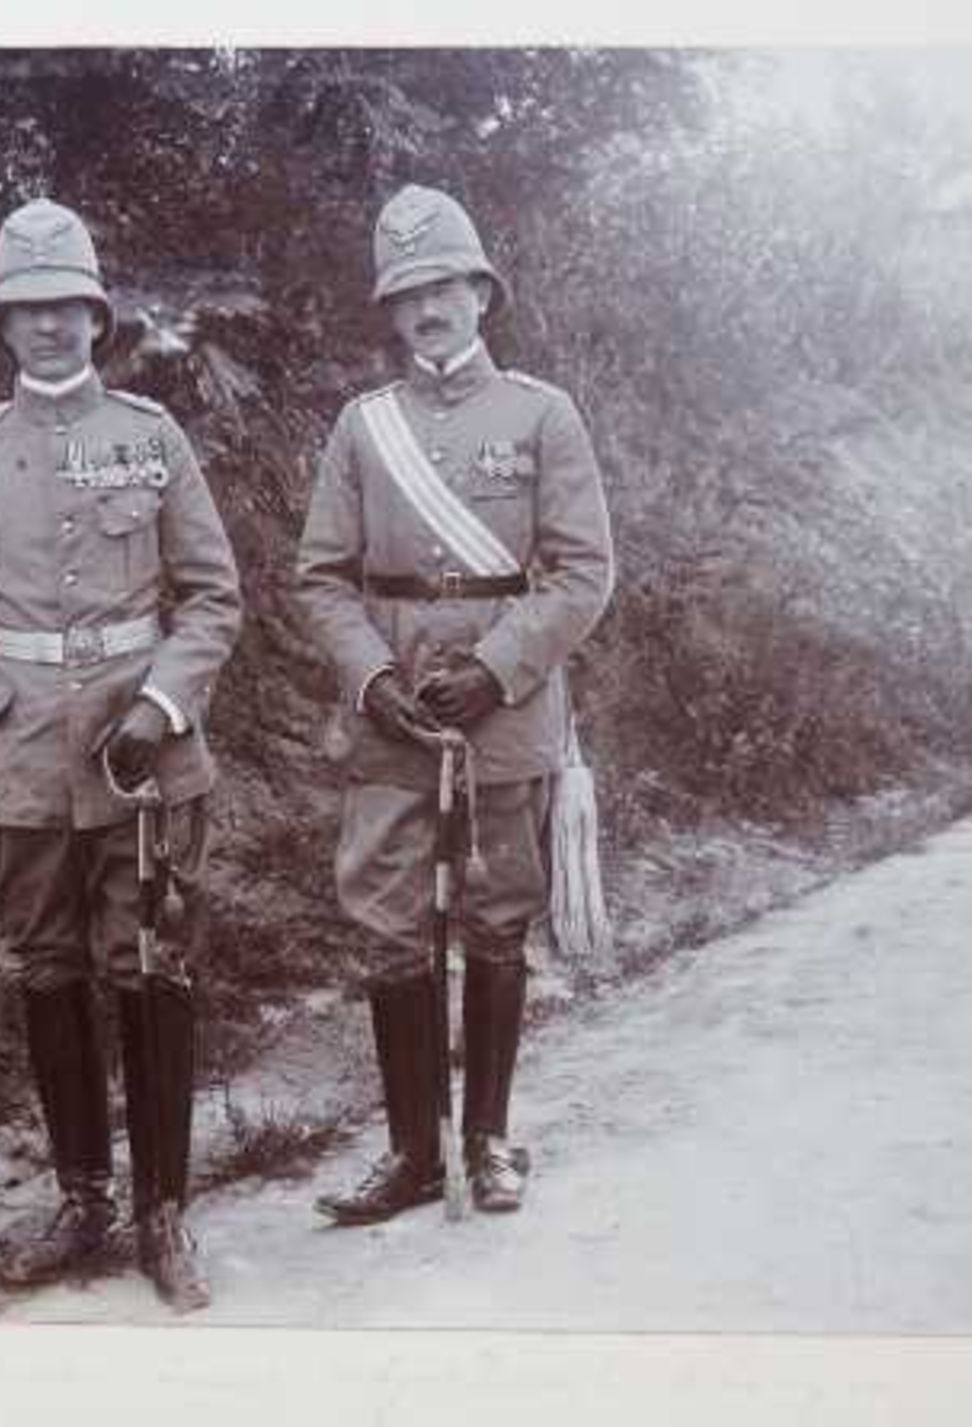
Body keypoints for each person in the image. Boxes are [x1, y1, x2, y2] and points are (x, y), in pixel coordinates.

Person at [0, 198, 242, 1310]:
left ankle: (164, 1212)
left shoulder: (150, 436)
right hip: (17, 761)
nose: (50, 328)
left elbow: (212, 597)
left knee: (149, 966)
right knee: (47, 971)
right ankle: (83, 1198)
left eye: (68, 308)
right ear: (2, 327)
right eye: (27, 311)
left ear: (98, 318)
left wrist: (160, 703)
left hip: (140, 755)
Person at [294, 184, 614, 1224]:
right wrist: (370, 677)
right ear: (389, 313)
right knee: (387, 918)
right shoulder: (363, 426)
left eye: (446, 287)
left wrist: (500, 665)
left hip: (504, 710)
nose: (429, 309)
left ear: (482, 292)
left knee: (497, 913)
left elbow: (580, 570)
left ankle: (486, 1138)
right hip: (394, 711)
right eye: (408, 294)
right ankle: (410, 1151)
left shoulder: (540, 412)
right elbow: (323, 577)